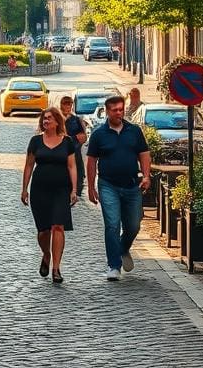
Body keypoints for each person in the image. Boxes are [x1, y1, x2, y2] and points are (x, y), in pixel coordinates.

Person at [86, 95, 151, 282]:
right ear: (107, 111)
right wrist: (91, 187)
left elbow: (144, 154)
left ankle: (123, 248)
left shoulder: (134, 131)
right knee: (112, 225)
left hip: (132, 185)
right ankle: (114, 265)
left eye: (121, 109)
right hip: (108, 185)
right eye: (114, 110)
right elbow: (91, 162)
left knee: (133, 225)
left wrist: (146, 175)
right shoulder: (99, 134)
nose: (119, 113)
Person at [21, 107, 77, 283]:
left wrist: (74, 190)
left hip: (61, 189)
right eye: (44, 119)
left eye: (49, 118)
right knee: (43, 231)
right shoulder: (36, 141)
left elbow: (72, 166)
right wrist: (24, 188)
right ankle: (46, 254)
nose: (46, 121)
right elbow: (29, 165)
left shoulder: (67, 142)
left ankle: (56, 268)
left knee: (58, 226)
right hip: (40, 189)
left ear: (57, 122)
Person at [60, 94, 87, 197]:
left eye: (70, 104)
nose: (68, 107)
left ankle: (75, 191)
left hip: (75, 153)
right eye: (65, 104)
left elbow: (83, 136)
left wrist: (78, 139)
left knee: (77, 173)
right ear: (61, 105)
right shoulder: (57, 119)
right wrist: (74, 138)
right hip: (61, 153)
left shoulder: (76, 119)